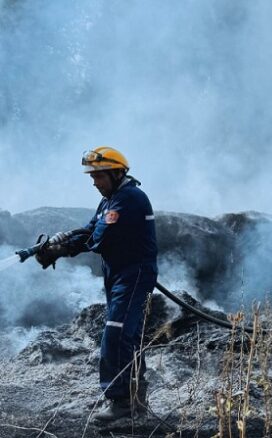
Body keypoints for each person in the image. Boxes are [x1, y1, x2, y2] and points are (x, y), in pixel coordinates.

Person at [36, 146, 158, 422]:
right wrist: (60, 240)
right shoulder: (111, 200)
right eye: (92, 176)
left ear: (116, 173)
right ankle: (134, 400)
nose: (94, 182)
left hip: (133, 275)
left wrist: (62, 249)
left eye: (98, 176)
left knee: (116, 334)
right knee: (129, 336)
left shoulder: (130, 199)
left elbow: (99, 238)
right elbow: (91, 228)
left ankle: (120, 402)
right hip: (118, 274)